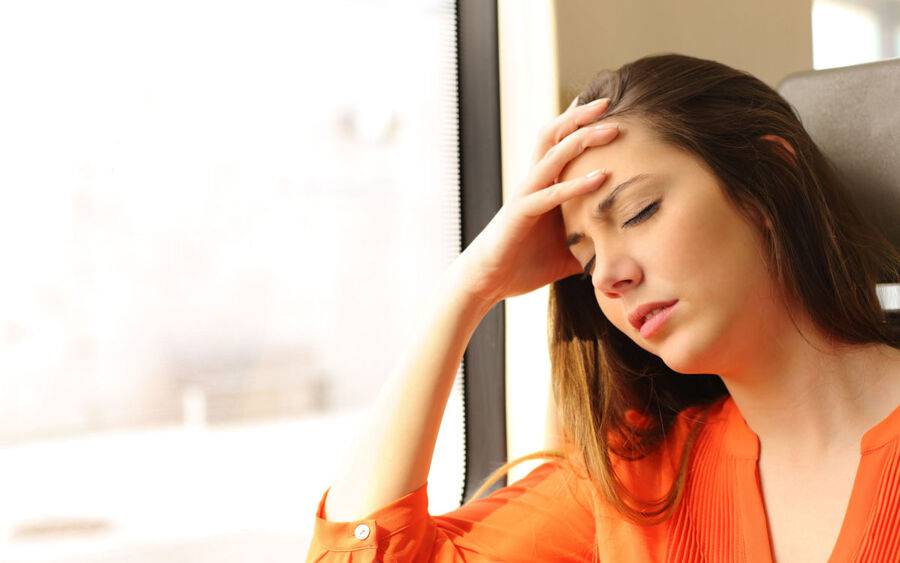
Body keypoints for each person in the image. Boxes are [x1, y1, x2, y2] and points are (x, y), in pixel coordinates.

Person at [305, 53, 900, 562]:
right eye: (585, 261)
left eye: (639, 213)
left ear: (771, 179)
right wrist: (468, 287)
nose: (611, 276)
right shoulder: (629, 487)